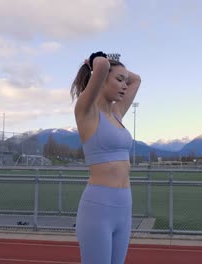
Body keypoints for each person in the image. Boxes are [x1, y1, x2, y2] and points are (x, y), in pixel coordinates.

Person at [71, 51, 141, 264]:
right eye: (119, 80)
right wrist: (95, 62)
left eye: (124, 81)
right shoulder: (86, 112)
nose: (125, 85)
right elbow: (101, 65)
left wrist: (117, 70)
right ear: (100, 81)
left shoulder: (117, 113)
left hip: (124, 205)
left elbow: (137, 80)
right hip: (99, 206)